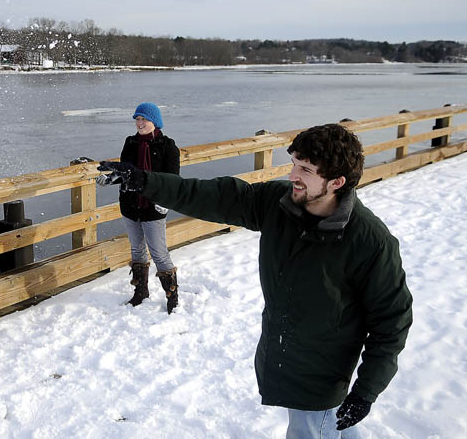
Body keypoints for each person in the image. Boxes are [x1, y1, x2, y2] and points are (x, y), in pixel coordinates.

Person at [99, 123, 413, 437]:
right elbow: (213, 196)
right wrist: (145, 181)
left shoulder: (370, 242)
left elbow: (392, 321)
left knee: (313, 428)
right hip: (285, 354)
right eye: (293, 164)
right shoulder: (279, 205)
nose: (292, 176)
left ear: (336, 182)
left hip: (322, 375)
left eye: (305, 169)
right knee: (333, 426)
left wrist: (366, 391)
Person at [96, 102, 181, 314]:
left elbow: (172, 180)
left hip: (153, 207)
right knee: (136, 249)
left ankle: (172, 297)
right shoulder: (130, 142)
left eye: (143, 119)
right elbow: (126, 173)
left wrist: (163, 203)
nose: (139, 123)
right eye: (137, 119)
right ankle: (140, 292)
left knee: (159, 253)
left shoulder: (168, 146)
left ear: (154, 121)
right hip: (130, 205)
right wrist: (111, 178)